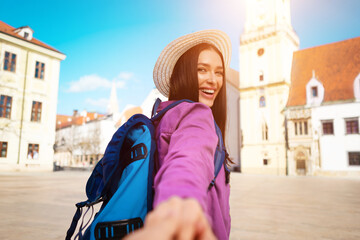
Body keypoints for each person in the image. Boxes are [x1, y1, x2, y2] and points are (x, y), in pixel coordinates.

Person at [127, 29, 231, 240]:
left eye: (219, 72)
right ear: (184, 73)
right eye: (202, 70)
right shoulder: (197, 115)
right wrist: (181, 203)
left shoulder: (164, 115)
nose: (213, 80)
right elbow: (189, 159)